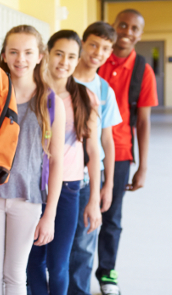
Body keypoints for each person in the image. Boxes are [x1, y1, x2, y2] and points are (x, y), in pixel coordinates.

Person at [0, 25, 66, 295]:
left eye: (27, 52)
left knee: (15, 275)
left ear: (40, 56)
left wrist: (50, 214)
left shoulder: (51, 101)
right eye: (13, 52)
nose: (20, 59)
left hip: (28, 199)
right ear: (5, 55)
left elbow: (57, 161)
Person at [26, 30, 102, 295]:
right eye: (59, 53)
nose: (64, 62)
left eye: (71, 56)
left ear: (77, 60)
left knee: (59, 264)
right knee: (33, 262)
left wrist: (93, 200)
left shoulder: (84, 98)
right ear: (46, 54)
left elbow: (93, 152)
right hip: (32, 187)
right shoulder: (32, 93)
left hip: (69, 188)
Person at [96, 9, 158, 295]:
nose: (127, 32)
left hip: (120, 152)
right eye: (123, 25)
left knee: (111, 215)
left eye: (134, 28)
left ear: (140, 35)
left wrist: (142, 166)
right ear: (113, 26)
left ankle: (107, 271)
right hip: (83, 147)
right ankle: (71, 268)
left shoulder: (143, 70)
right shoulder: (96, 58)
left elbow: (143, 121)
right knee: (73, 211)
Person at [69, 21, 123, 295]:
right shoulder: (61, 78)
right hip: (56, 173)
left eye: (105, 48)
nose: (97, 52)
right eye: (93, 44)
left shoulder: (104, 90)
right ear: (82, 43)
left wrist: (108, 185)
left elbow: (106, 140)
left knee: (83, 244)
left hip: (87, 177)